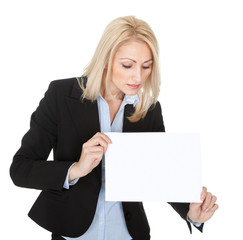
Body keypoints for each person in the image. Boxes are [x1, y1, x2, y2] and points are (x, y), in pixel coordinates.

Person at [10, 16, 218, 240]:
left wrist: (192, 212)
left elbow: (159, 175)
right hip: (73, 233)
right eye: (127, 65)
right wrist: (76, 169)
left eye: (146, 66)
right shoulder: (61, 95)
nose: (138, 77)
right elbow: (21, 169)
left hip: (128, 233)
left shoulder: (149, 109)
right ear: (106, 59)